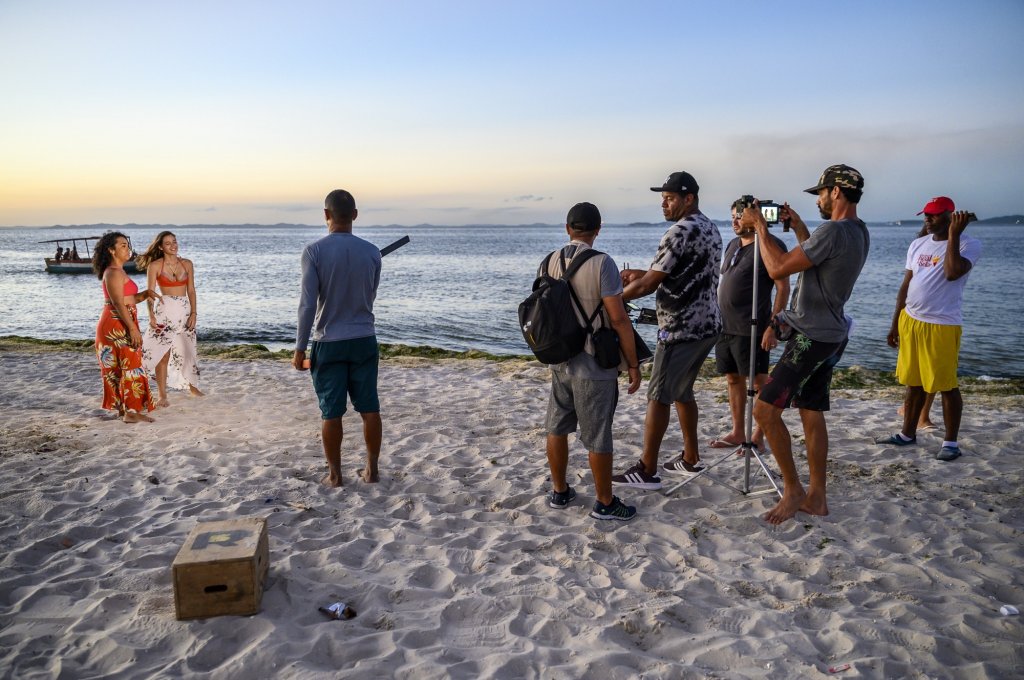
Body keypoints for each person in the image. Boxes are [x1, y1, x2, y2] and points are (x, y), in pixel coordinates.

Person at [743, 164, 870, 524]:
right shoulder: (858, 232)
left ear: (837, 193)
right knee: (811, 413)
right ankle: (817, 497)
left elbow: (778, 268)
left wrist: (761, 228)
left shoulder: (832, 230)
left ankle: (794, 489)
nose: (820, 200)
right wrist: (799, 228)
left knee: (765, 411)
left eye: (822, 193)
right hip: (833, 335)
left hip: (811, 337)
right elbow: (818, 262)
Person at [611, 171, 722, 490]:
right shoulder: (710, 228)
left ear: (689, 199)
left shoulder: (679, 231)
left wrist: (614, 301)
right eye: (662, 198)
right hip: (708, 324)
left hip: (680, 329)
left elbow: (649, 284)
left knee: (658, 396)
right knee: (684, 392)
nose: (664, 203)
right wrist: (644, 273)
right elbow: (685, 272)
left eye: (670, 198)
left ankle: (647, 469)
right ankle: (690, 458)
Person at [541, 202, 642, 521]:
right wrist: (634, 363)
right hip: (594, 363)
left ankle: (559, 491)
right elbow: (619, 319)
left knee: (556, 428)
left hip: (560, 360)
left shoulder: (548, 261)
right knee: (598, 434)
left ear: (568, 228)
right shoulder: (603, 263)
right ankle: (605, 502)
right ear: (598, 229)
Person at [877, 197, 981, 461]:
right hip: (911, 321)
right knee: (913, 383)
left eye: (934, 215)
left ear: (950, 216)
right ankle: (907, 434)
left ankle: (950, 443)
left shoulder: (969, 244)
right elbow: (906, 285)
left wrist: (954, 236)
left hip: (941, 325)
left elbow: (952, 272)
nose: (927, 219)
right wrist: (895, 323)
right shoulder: (917, 244)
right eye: (926, 215)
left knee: (946, 385)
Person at [293, 189, 383, 487]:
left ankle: (335, 475)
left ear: (326, 215)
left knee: (331, 412)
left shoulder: (314, 251)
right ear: (355, 215)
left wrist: (299, 348)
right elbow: (370, 295)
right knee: (369, 408)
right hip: (363, 338)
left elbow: (308, 305)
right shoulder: (371, 251)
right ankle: (371, 470)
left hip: (328, 340)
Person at [710, 198, 791, 452]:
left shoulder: (769, 245)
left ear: (753, 216)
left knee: (759, 383)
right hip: (725, 326)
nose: (735, 221)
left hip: (752, 328)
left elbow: (782, 287)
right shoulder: (733, 244)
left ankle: (759, 435)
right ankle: (737, 432)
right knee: (733, 379)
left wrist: (773, 325)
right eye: (732, 216)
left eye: (740, 216)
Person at [92, 232, 160, 423]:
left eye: (126, 244)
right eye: (122, 245)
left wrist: (145, 294)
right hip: (116, 324)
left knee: (124, 366)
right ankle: (131, 412)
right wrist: (132, 328)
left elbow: (128, 300)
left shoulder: (119, 271)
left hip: (121, 321)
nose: (127, 248)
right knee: (130, 366)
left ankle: (125, 410)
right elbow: (117, 303)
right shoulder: (112, 272)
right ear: (111, 250)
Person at [138, 231, 202, 407]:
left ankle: (193, 387)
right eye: (168, 243)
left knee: (188, 350)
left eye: (174, 241)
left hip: (184, 311)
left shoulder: (187, 264)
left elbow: (191, 290)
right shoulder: (155, 266)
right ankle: (162, 395)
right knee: (162, 353)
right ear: (160, 247)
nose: (173, 245)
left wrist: (194, 313)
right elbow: (150, 294)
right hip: (165, 312)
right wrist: (151, 315)